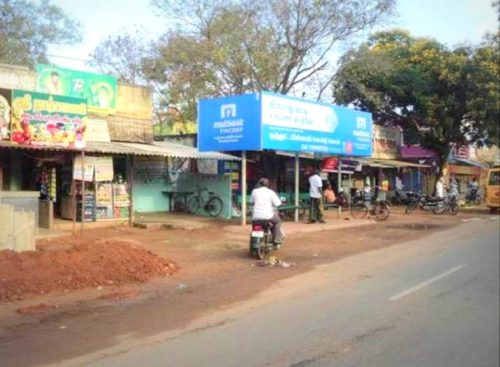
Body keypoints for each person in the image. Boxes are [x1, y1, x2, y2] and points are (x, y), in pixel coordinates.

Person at [250, 177, 284, 247]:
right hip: (268, 216)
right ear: (268, 185)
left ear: (259, 184)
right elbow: (278, 204)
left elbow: (252, 203)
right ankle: (277, 240)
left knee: (254, 228)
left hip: (256, 217)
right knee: (278, 222)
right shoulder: (270, 192)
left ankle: (253, 244)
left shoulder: (254, 191)